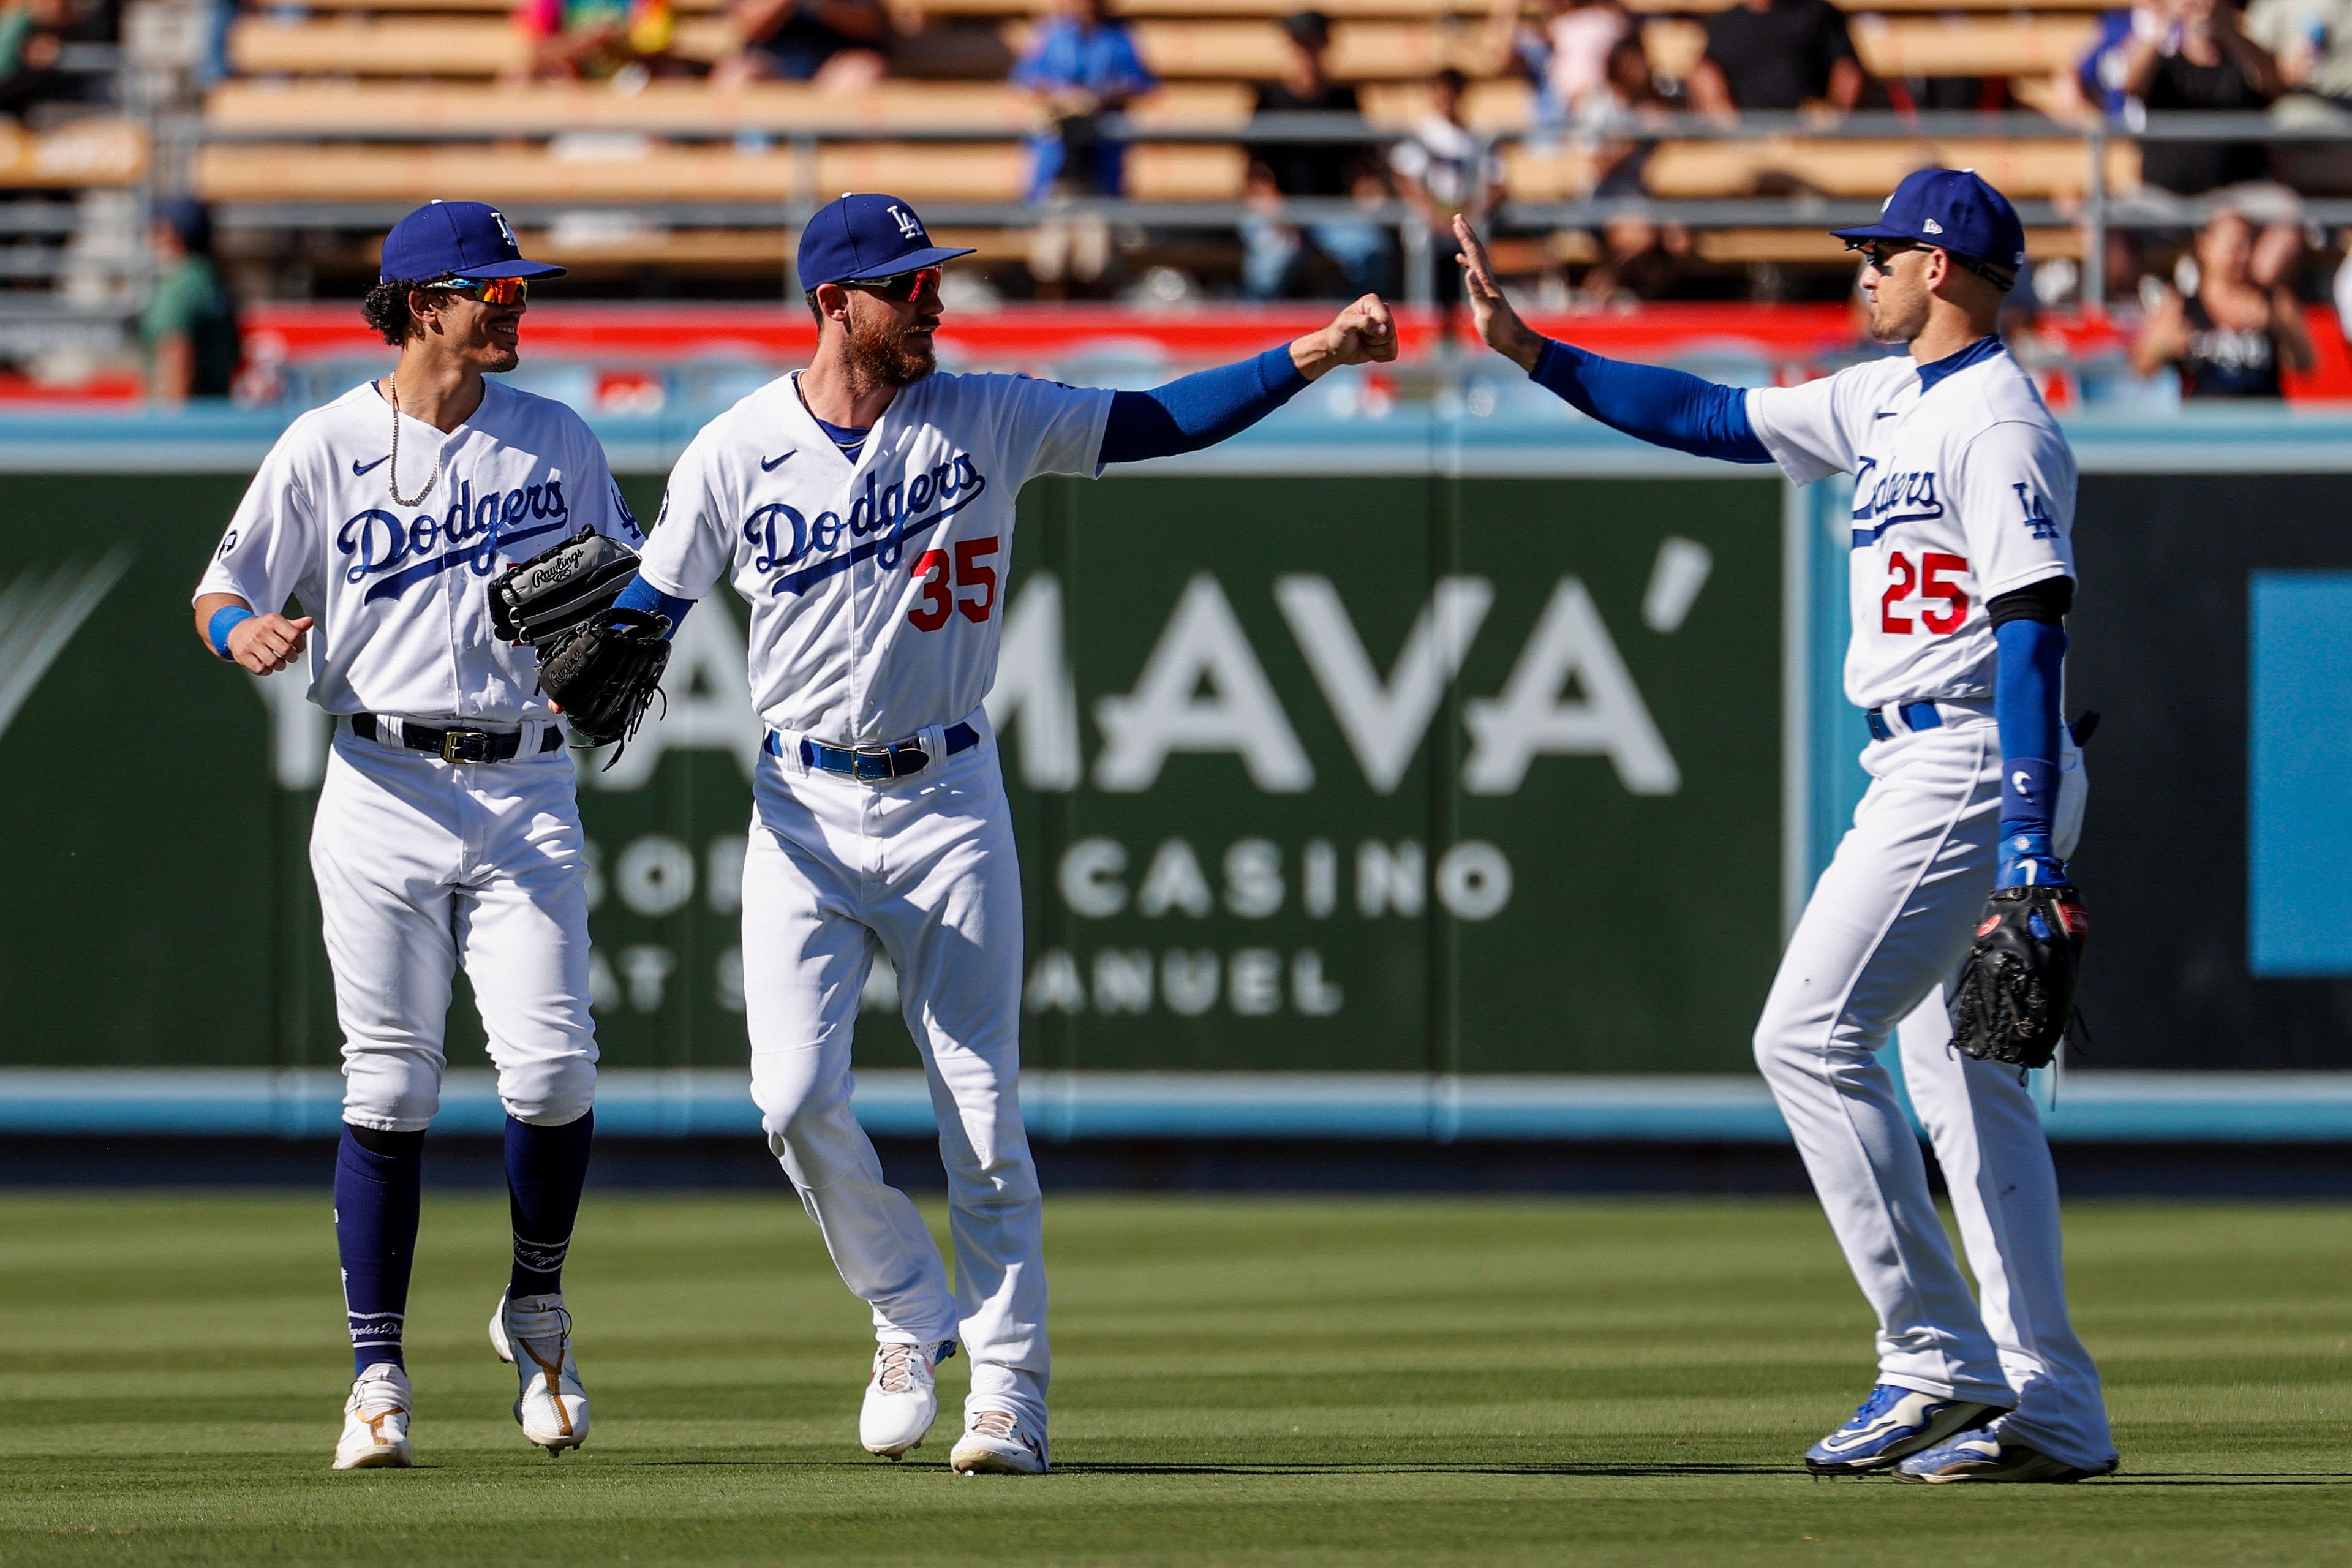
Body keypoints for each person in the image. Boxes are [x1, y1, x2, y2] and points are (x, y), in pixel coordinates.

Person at [608, 192, 1394, 1475]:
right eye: (908, 285)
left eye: (934, 279)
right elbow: (645, 607)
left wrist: (1315, 352)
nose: (934, 299)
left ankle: (1011, 1391)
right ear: (834, 303)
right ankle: (911, 1304)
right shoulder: (733, 450)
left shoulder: (988, 415)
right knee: (791, 1098)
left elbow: (1158, 421)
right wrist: (556, 665)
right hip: (799, 808)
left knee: (981, 1111)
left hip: (947, 799)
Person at [1455, 170, 2119, 1485]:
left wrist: (2030, 840)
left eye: (1881, 251)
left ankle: (1935, 1353)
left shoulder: (1998, 423)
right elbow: (1705, 412)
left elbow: (2036, 628)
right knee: (1967, 1088)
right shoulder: (1879, 396)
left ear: (1942, 267)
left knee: (1808, 1036)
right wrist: (1533, 354)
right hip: (1927, 758)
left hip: (1975, 752)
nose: (1860, 268)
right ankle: (2055, 1406)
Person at [190, 201, 637, 1471]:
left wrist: (615, 638)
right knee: (388, 1080)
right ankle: (376, 1375)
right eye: (495, 289)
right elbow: (220, 587)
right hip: (380, 778)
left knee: (552, 1071)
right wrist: (244, 633)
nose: (517, 304)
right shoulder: (327, 442)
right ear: (425, 302)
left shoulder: (555, 438)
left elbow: (620, 592)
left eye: (518, 287)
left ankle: (535, 1298)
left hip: (524, 785)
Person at [1243, 11, 1392, 300]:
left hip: (1332, 209)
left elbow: (1363, 163)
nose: (1307, 54)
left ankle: (1346, 327)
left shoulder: (1345, 99)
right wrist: (1275, 208)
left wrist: (1368, 191)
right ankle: (1258, 335)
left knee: (1372, 251)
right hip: (1280, 208)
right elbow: (1254, 170)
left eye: (1313, 45)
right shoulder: (1269, 99)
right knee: (1270, 264)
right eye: (1300, 45)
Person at [1011, 0, 1156, 297]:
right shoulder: (1050, 34)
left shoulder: (1120, 36)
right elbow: (1026, 80)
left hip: (1101, 167)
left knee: (1097, 263)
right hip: (1056, 167)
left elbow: (1142, 83)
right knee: (1051, 263)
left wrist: (1099, 99)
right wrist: (1063, 98)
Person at [2132, 207, 2315, 393]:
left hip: (2262, 417)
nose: (2242, 254)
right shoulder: (2178, 305)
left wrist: (2279, 327)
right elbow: (2142, 368)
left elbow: (2306, 364)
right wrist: (2165, 346)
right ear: (2205, 245)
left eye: (2248, 244)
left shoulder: (2274, 301)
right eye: (2233, 245)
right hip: (2205, 417)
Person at [2122, 0, 2285, 193]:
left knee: (2248, 223)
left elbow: (2272, 83)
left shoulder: (2245, 68)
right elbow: (2131, 84)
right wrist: (2169, 18)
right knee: (2100, 218)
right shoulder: (2163, 67)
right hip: (2162, 196)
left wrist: (2224, 26)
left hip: (2236, 195)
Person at [1389, 69, 1504, 309]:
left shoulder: (1477, 138)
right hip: (1432, 223)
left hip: (1466, 221)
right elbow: (1405, 177)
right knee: (1428, 284)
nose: (1446, 100)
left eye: (1451, 93)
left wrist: (1470, 214)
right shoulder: (1423, 134)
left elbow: (1496, 182)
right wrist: (1434, 214)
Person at [141, 197, 241, 405]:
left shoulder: (180, 284)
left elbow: (176, 353)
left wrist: (172, 427)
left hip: (183, 423)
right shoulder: (210, 277)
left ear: (170, 232)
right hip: (217, 412)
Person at [1689, 0, 1865, 116]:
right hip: (1744, 135)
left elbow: (1847, 72)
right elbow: (1704, 72)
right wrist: (1724, 118)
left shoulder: (1817, 14)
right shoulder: (1725, 25)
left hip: (1808, 133)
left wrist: (1832, 120)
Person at [714, 0, 889, 89]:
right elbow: (747, 25)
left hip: (834, 65)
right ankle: (743, 152)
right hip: (770, 66)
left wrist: (826, 6)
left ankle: (833, 149)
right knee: (736, 75)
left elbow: (872, 27)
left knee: (860, 70)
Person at [512, 0, 682, 83]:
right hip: (569, 80)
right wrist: (575, 45)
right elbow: (535, 45)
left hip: (633, 78)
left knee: (671, 77)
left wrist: (616, 48)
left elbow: (658, 49)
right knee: (521, 76)